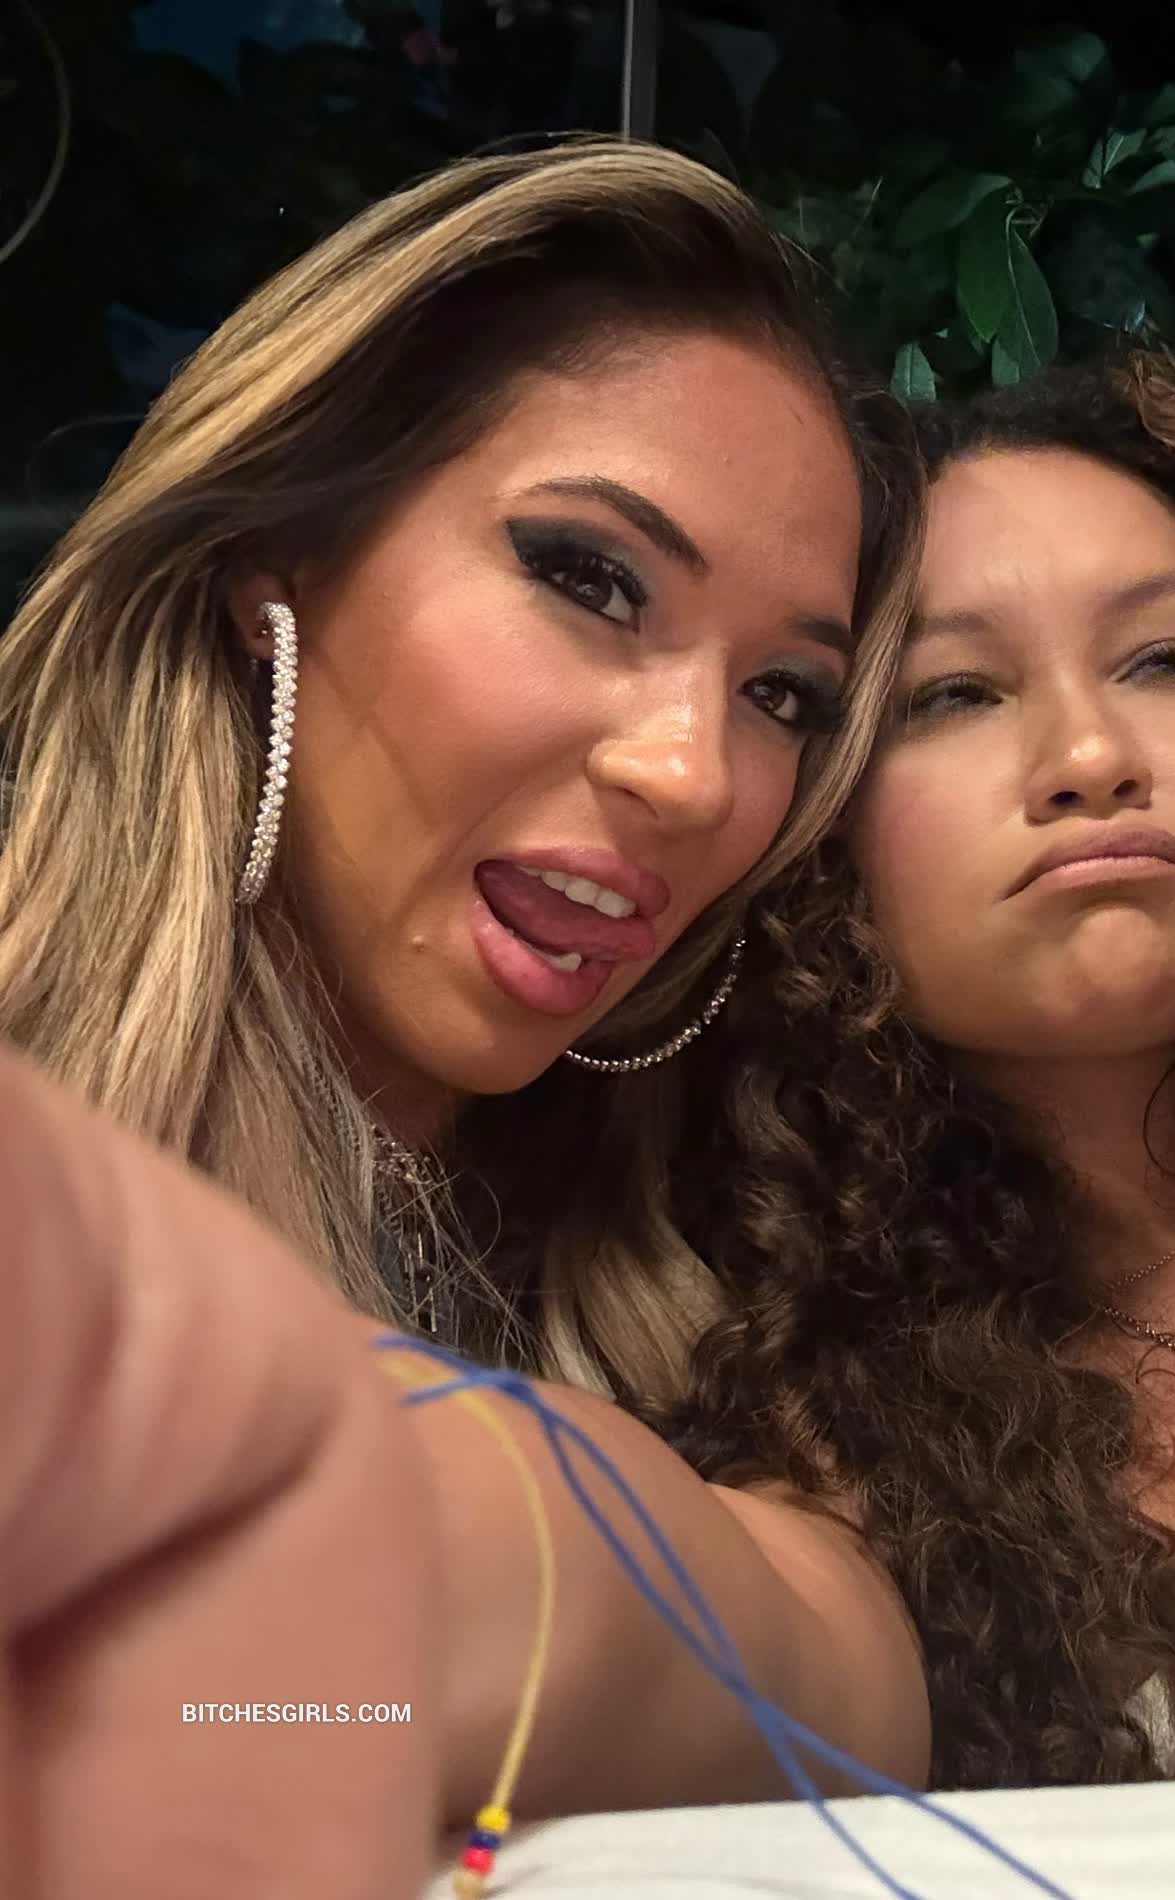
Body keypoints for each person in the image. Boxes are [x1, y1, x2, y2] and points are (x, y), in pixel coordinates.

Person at [0, 137, 931, 1886]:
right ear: (279, 560)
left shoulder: (728, 1234)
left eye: (782, 694)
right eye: (590, 578)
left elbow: (851, 1683)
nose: (693, 774)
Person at [663, 351, 1175, 1788]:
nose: (1090, 753)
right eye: (951, 694)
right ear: (809, 833)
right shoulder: (839, 1459)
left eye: (1166, 659)